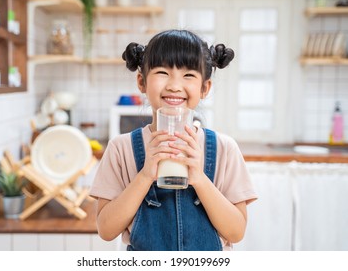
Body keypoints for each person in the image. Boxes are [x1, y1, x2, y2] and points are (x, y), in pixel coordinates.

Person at [89, 29, 258, 251]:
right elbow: (106, 230)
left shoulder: (224, 149)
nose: (174, 85)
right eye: (162, 72)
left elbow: (236, 232)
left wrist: (199, 178)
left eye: (189, 75)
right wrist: (145, 176)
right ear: (142, 82)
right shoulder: (121, 149)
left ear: (204, 87)